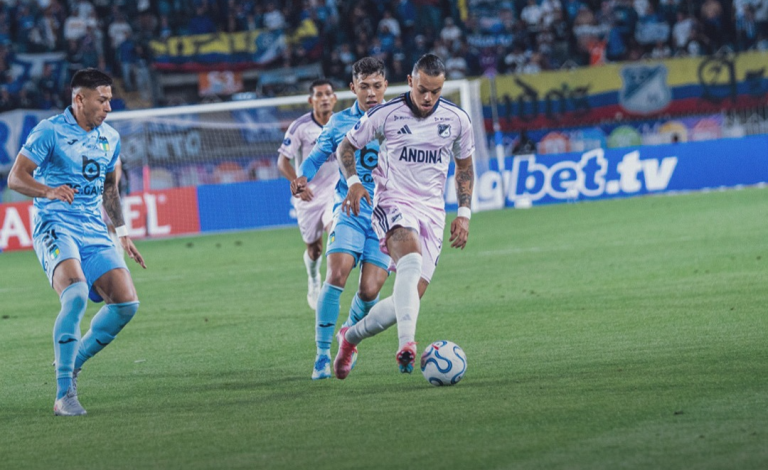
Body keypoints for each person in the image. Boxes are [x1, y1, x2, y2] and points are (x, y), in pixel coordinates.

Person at [8, 68, 146, 416]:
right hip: (54, 223)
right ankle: (63, 395)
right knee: (75, 295)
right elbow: (16, 177)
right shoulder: (49, 131)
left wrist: (123, 232)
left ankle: (72, 363)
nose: (109, 108)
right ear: (79, 99)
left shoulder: (110, 137)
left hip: (93, 228)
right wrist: (48, 190)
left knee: (126, 304)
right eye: (102, 100)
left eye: (110, 100)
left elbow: (109, 188)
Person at [332, 53, 475, 378]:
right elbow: (346, 147)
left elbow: (464, 167)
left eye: (435, 92)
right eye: (422, 89)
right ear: (410, 81)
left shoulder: (457, 120)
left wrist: (463, 213)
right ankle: (407, 344)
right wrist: (354, 182)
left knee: (407, 297)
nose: (428, 98)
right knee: (409, 258)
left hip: (432, 211)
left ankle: (349, 337)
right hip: (393, 200)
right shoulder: (385, 115)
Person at [290, 57, 391, 380]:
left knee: (370, 291)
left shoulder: (399, 120)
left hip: (388, 214)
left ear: (385, 86)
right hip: (348, 209)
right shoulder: (339, 123)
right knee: (337, 274)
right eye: (364, 86)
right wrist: (302, 176)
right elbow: (316, 157)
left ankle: (347, 335)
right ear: (353, 88)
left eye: (377, 86)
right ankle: (321, 356)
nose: (371, 93)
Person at [277, 79, 338, 310]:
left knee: (336, 232)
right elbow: (282, 161)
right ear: (311, 100)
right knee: (315, 249)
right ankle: (314, 279)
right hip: (309, 195)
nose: (324, 98)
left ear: (334, 98)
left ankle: (333, 288)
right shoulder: (300, 126)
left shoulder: (342, 123)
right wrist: (298, 185)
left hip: (335, 192)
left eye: (328, 94)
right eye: (319, 94)